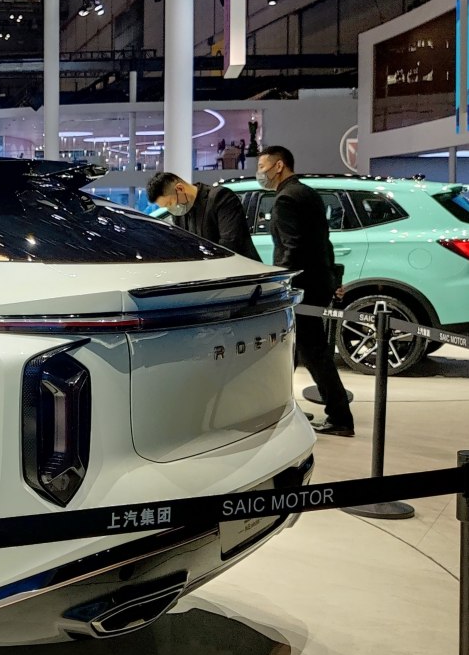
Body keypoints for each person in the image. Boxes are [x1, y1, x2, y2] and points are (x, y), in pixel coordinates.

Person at [256, 145, 356, 438]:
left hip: (302, 288)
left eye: (262, 166)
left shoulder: (286, 198)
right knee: (300, 351)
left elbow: (293, 246)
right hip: (317, 282)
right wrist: (331, 276)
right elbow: (323, 241)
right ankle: (285, 408)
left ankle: (340, 416)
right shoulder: (307, 193)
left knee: (313, 352)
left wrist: (280, 282)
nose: (260, 172)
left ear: (279, 166)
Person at [146, 172, 260, 260]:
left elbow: (230, 244)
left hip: (240, 274)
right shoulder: (180, 213)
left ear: (180, 188)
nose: (171, 209)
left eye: (170, 203)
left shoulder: (220, 198)